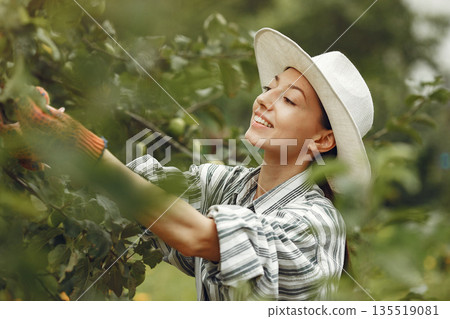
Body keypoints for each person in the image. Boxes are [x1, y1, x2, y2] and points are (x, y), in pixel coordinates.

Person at [0, 28, 373, 300]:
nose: (264, 101)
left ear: (323, 140)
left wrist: (84, 149)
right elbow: (143, 187)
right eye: (268, 88)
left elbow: (198, 235)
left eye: (289, 100)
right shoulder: (231, 187)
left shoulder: (317, 223)